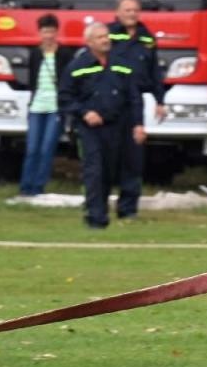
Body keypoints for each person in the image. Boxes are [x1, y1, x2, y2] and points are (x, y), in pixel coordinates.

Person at [59, 22, 145, 230]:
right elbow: (65, 97)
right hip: (90, 129)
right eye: (99, 37)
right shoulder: (77, 66)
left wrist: (138, 124)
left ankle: (124, 211)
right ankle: (95, 218)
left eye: (106, 36)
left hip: (121, 126)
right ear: (89, 42)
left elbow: (134, 97)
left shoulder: (122, 63)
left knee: (119, 169)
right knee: (95, 171)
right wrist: (84, 112)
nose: (105, 40)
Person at [107, 0, 168, 222]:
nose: (131, 14)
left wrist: (160, 100)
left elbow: (154, 72)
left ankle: (128, 208)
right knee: (106, 155)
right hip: (110, 101)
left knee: (133, 157)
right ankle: (98, 204)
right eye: (127, 10)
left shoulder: (147, 38)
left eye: (135, 10)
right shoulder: (107, 34)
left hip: (135, 103)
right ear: (117, 12)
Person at [17, 13, 69, 197]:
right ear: (39, 33)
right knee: (32, 148)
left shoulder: (64, 53)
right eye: (45, 32)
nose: (48, 36)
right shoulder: (35, 53)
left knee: (47, 148)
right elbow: (32, 79)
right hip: (36, 106)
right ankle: (26, 187)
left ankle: (38, 187)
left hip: (55, 107)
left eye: (52, 31)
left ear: (57, 32)